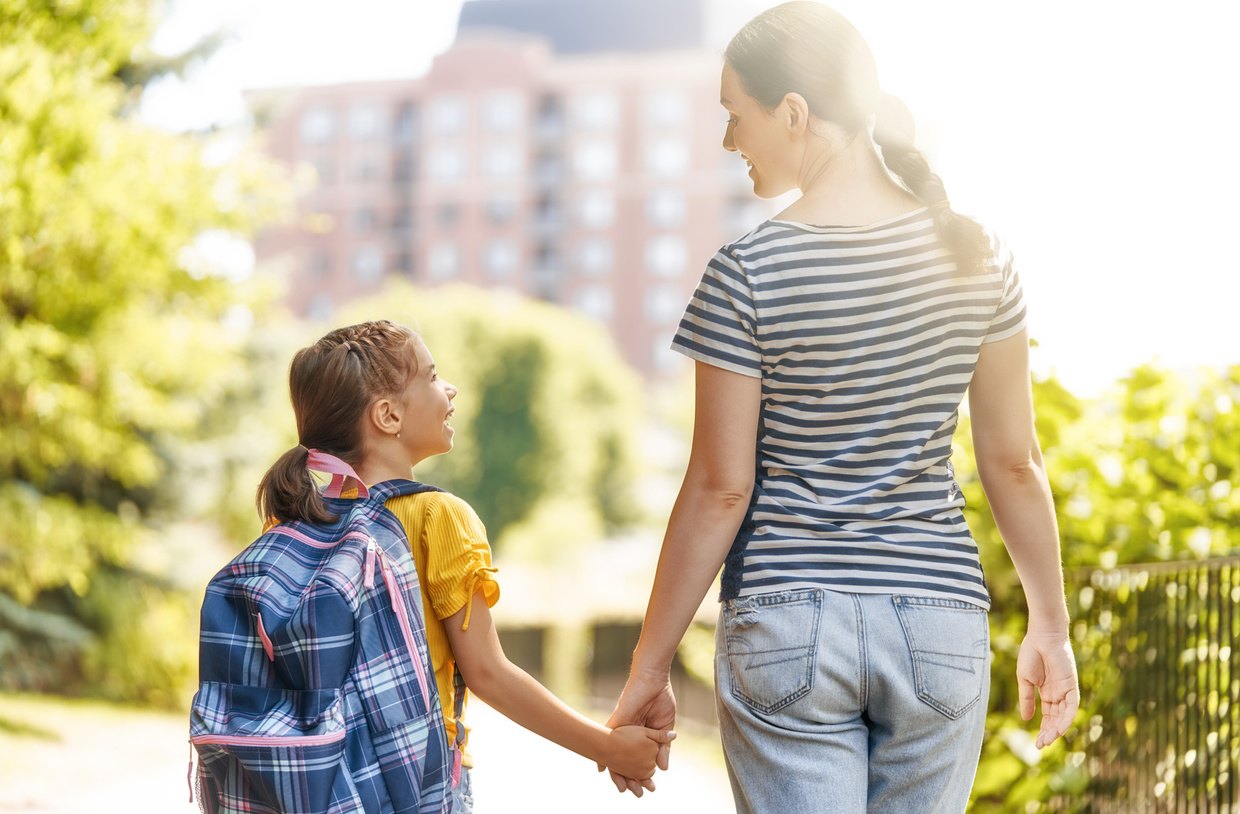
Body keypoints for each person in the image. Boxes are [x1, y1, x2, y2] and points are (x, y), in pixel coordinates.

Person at [606, 3, 1081, 811]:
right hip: (938, 621)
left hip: (789, 625)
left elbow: (722, 489)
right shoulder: (978, 256)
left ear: (793, 113)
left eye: (735, 116)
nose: (729, 142)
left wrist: (648, 667)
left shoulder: (747, 271)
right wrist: (1052, 627)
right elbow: (1013, 463)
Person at [258, 320, 672, 812]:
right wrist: (606, 746)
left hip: (312, 781)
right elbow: (488, 673)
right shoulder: (438, 517)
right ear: (388, 415)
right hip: (410, 783)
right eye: (433, 377)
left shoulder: (291, 520)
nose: (449, 388)